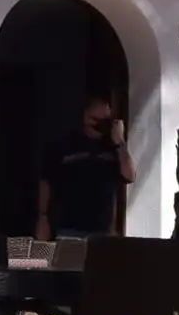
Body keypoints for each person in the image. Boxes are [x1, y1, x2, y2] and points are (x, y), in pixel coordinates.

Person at [36, 94, 135, 240]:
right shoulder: (66, 145)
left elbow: (130, 175)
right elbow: (46, 182)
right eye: (96, 120)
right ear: (85, 117)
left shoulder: (112, 149)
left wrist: (119, 142)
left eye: (105, 121)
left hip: (102, 232)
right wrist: (43, 217)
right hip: (69, 229)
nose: (100, 126)